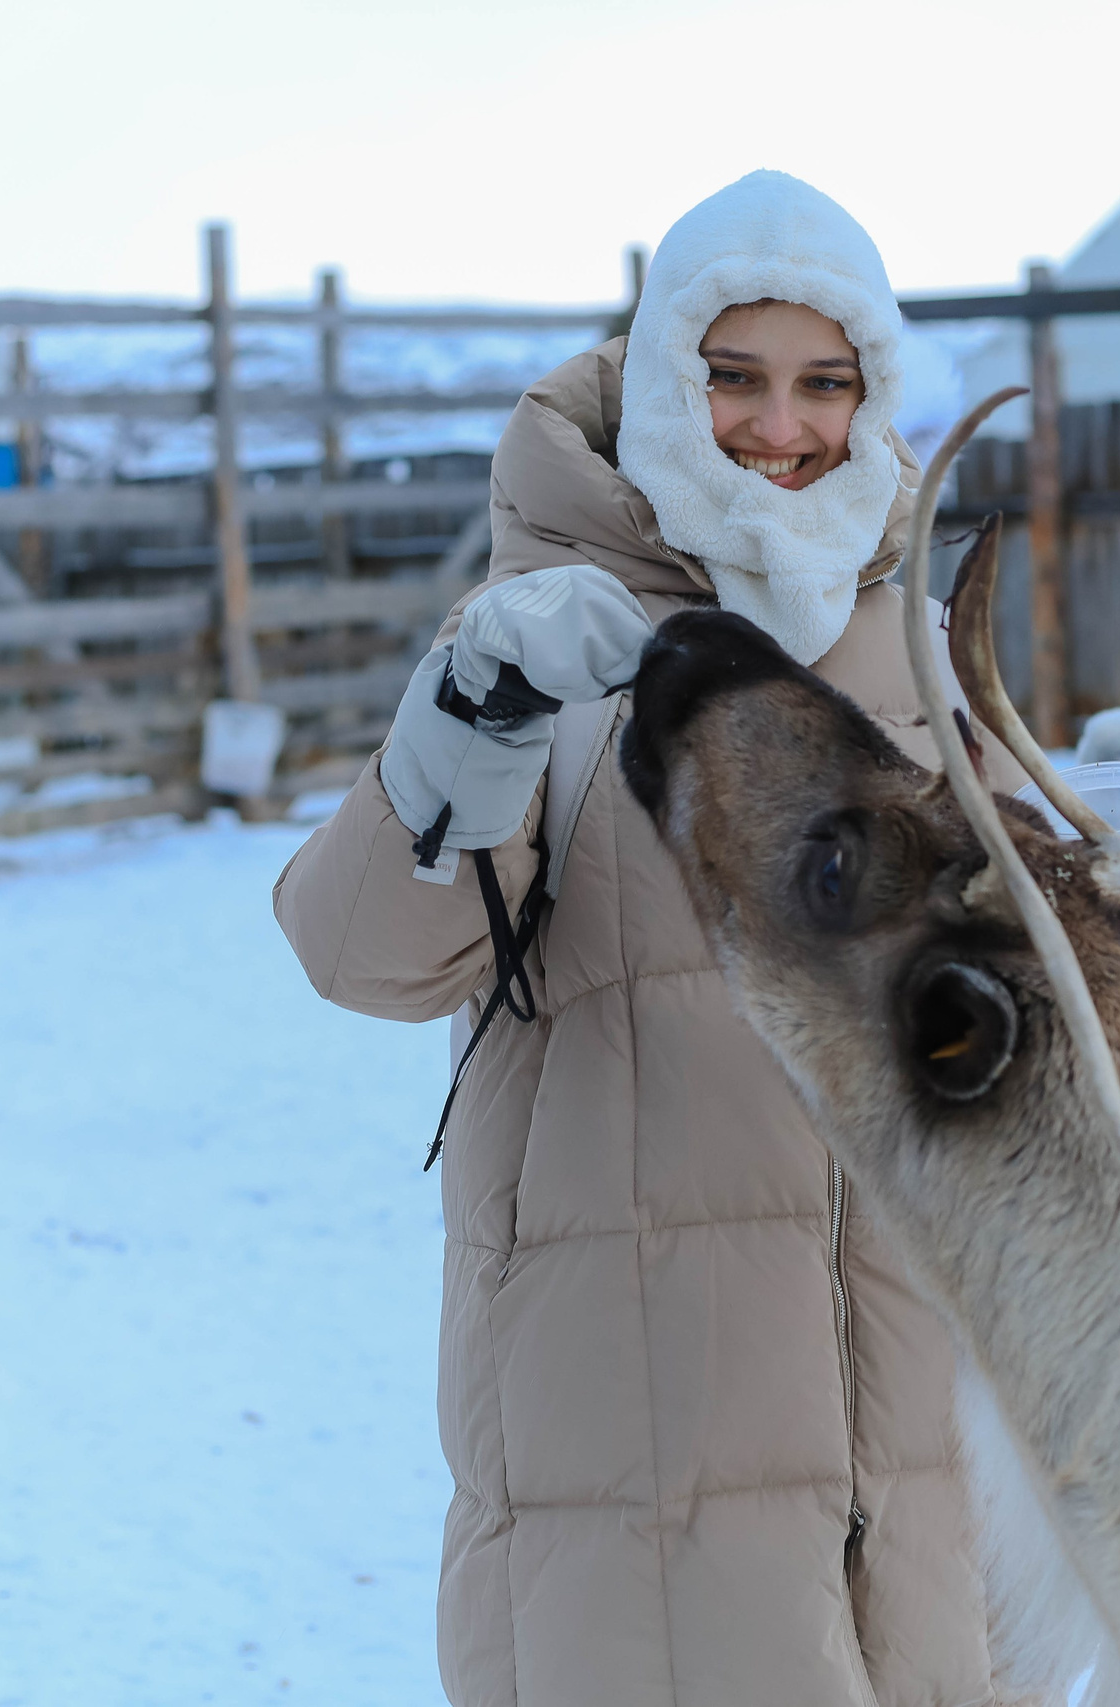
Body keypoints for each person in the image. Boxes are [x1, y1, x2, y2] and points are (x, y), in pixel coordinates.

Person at [275, 171, 1046, 1707]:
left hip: (913, 1420)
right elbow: (362, 953)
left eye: (827, 385)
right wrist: (479, 723)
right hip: (633, 1416)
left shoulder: (917, 657)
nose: (782, 427)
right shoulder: (535, 633)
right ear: (660, 389)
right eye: (735, 377)